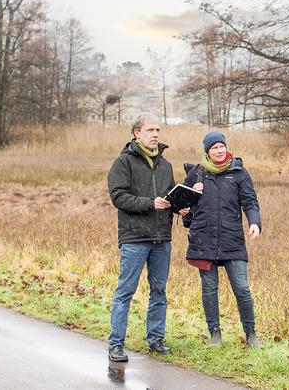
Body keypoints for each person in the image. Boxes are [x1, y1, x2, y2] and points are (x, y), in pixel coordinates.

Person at [106, 114, 184, 362]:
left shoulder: (166, 165)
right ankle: (116, 344)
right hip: (134, 238)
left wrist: (179, 206)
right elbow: (118, 197)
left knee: (159, 290)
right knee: (125, 291)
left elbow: (168, 198)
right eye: (150, 129)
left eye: (158, 130)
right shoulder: (123, 162)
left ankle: (156, 339)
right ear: (136, 133)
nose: (155, 134)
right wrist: (150, 203)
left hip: (162, 238)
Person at [184, 129, 263, 348]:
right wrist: (192, 191)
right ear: (207, 152)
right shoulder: (197, 173)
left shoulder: (239, 172)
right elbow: (180, 204)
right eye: (214, 148)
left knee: (242, 288)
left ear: (226, 148)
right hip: (204, 239)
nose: (219, 150)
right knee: (209, 289)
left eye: (221, 146)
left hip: (232, 240)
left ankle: (251, 333)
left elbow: (250, 201)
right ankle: (215, 333)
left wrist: (254, 222)